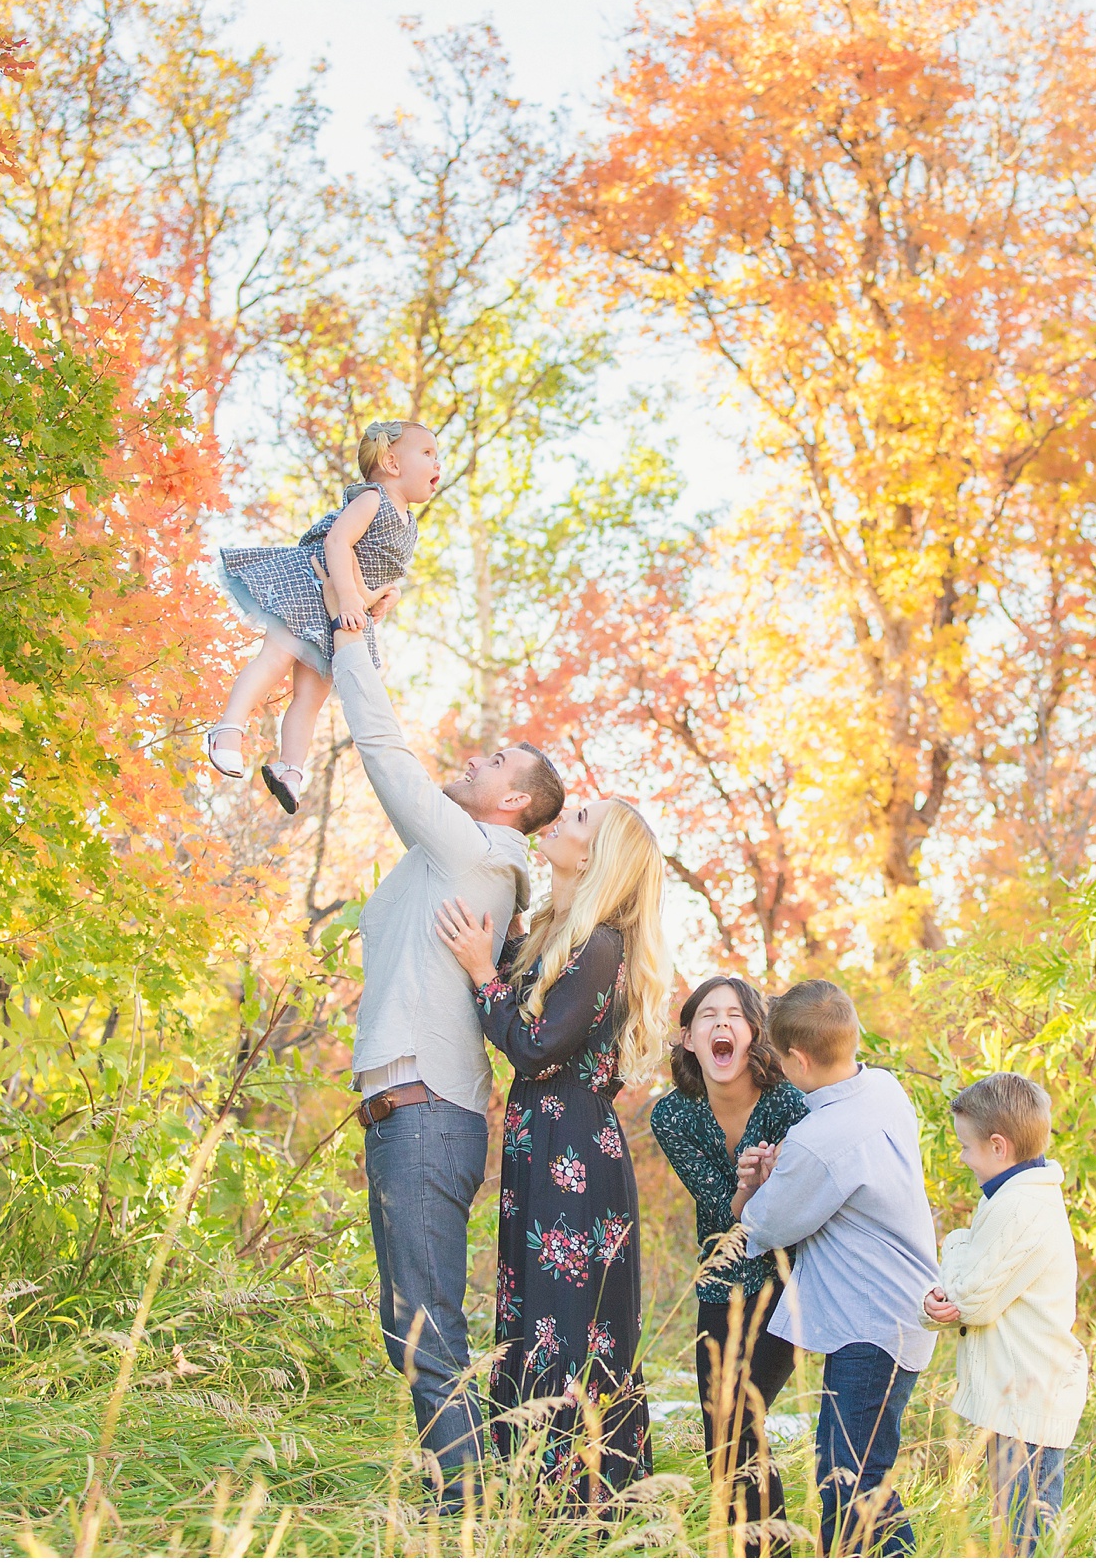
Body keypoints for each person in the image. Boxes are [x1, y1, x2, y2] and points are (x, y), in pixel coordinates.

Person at [326, 625, 564, 1509]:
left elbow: (385, 754)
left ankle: (465, 1511)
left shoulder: (479, 851)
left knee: (426, 1328)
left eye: (497, 757)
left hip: (424, 1118)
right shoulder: (458, 860)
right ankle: (462, 1493)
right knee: (410, 1326)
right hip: (409, 1117)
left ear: (515, 803)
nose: (475, 755)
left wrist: (353, 640)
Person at [435, 798, 670, 1510]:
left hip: (574, 1149)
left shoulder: (600, 942)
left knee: (567, 1322)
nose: (561, 822)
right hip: (541, 1145)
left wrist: (481, 973)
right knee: (532, 1311)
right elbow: (517, 1001)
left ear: (596, 857)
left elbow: (534, 1048)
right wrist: (497, 953)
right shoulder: (554, 935)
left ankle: (583, 1502)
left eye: (578, 823)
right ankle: (533, 1487)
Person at [733, 981, 938, 1557]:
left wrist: (762, 1181)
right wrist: (792, 1173)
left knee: (852, 1481)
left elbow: (766, 1226)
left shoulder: (820, 1138)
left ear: (797, 1059)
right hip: (898, 1311)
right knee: (846, 1469)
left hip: (871, 1325)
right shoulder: (884, 1089)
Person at [649, 977, 810, 1555]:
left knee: (740, 1417)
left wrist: (758, 1196)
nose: (721, 1024)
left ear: (753, 1034)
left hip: (791, 1287)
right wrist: (748, 1193)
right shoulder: (673, 1116)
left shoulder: (790, 1103)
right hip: (721, 1285)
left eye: (735, 1015)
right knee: (724, 1439)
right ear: (690, 1038)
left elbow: (798, 1213)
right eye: (707, 1016)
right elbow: (722, 1215)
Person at [208, 419, 439, 813]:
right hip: (311, 587)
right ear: (392, 462)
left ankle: (290, 769)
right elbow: (338, 542)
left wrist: (388, 596)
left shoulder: (409, 525)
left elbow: (382, 571)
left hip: (340, 607)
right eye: (428, 454)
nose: (438, 464)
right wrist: (349, 596)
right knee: (275, 658)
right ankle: (227, 730)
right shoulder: (373, 499)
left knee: (311, 695)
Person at [921, 1074, 1090, 1557]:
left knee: (1021, 1539)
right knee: (1010, 1533)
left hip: (1029, 1399)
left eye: (966, 1147)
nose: (962, 1157)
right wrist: (951, 1280)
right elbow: (964, 1292)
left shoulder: (1022, 1208)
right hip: (1017, 1398)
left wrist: (953, 1243)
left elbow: (970, 1299)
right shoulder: (1011, 1197)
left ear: (998, 1146)